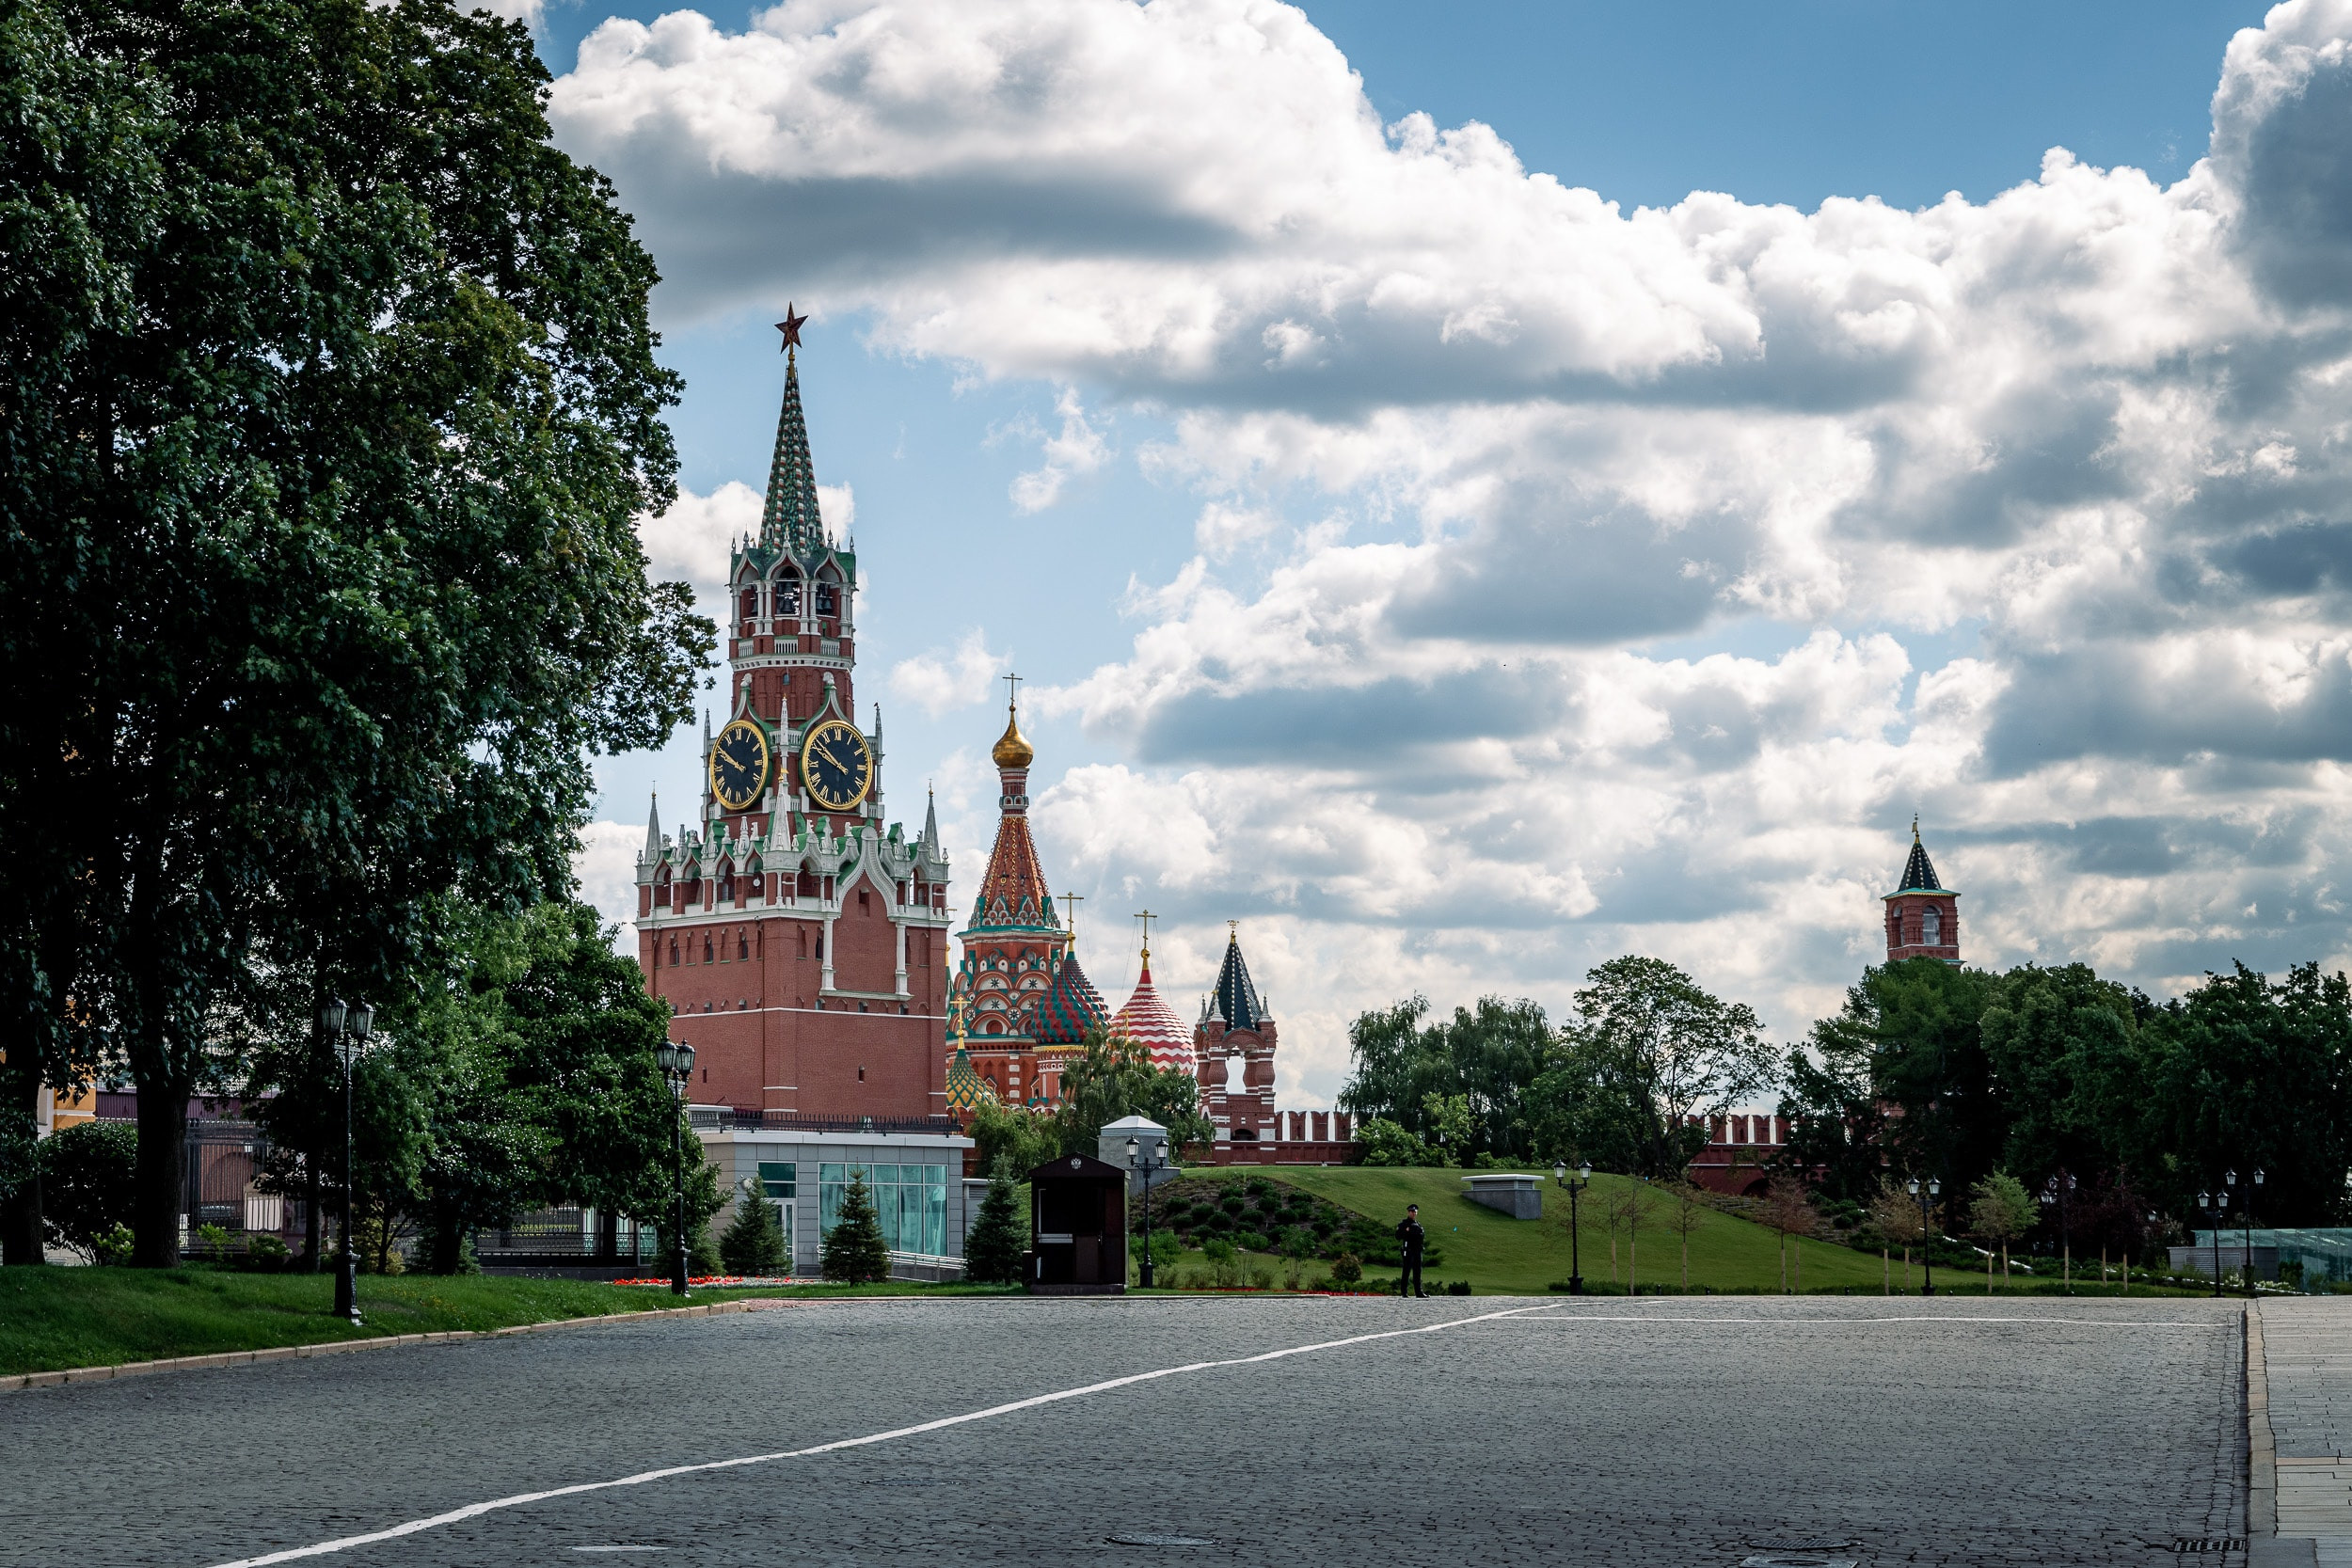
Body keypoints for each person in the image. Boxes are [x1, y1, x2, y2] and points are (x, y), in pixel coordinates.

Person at [1395, 1204, 1425, 1297]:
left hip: (1417, 1250)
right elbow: (1398, 1236)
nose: (1414, 1213)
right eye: (1412, 1212)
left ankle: (1418, 1292)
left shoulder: (1418, 1224)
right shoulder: (1404, 1224)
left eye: (1415, 1212)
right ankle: (1404, 1292)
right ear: (1409, 1212)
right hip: (1408, 1250)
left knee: (1417, 1272)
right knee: (1406, 1271)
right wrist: (1406, 1231)